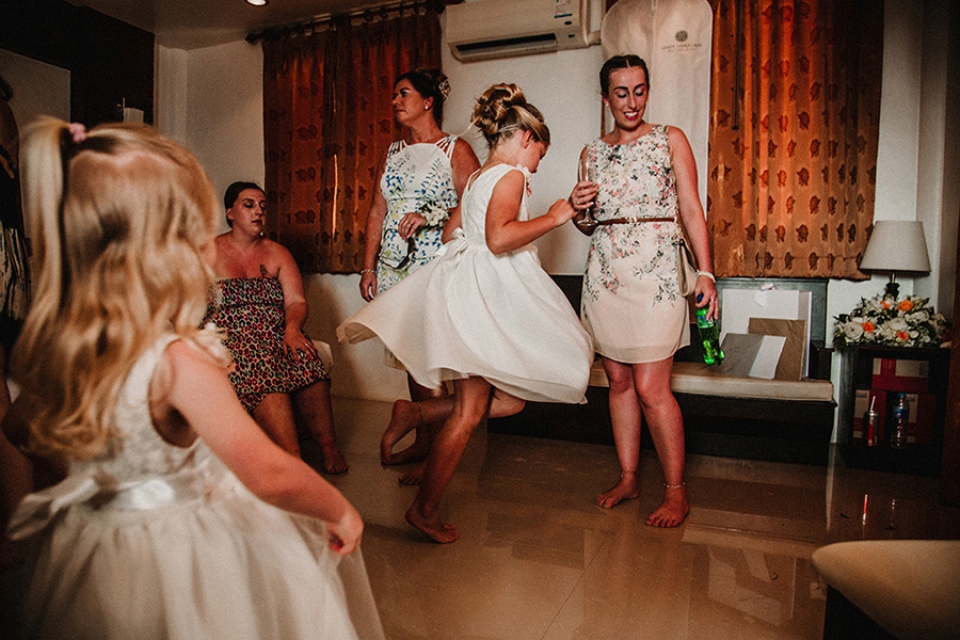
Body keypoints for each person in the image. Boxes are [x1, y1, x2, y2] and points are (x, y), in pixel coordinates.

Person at [2, 119, 384, 639]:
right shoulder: (175, 360)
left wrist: (102, 478)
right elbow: (267, 471)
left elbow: (19, 429)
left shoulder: (64, 349)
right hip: (176, 557)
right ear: (168, 246)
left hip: (95, 549)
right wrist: (339, 510)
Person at [339, 84, 593, 543]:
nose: (539, 163)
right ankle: (425, 508)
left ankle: (417, 413)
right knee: (470, 412)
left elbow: (452, 233)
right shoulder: (511, 176)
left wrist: (469, 264)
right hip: (482, 297)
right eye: (540, 152)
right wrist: (556, 217)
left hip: (471, 290)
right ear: (526, 138)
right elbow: (498, 239)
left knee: (509, 399)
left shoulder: (479, 178)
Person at [568, 55, 718, 528]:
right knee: (619, 383)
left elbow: (692, 210)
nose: (632, 102)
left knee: (654, 388)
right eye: (621, 93)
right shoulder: (591, 152)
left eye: (639, 90)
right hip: (607, 275)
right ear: (605, 97)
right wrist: (577, 212)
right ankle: (629, 476)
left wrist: (707, 273)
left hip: (657, 275)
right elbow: (589, 226)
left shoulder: (670, 138)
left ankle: (676, 491)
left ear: (647, 91)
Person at [360, 69, 480, 484]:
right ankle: (425, 442)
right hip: (395, 269)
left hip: (437, 266)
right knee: (413, 360)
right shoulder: (392, 152)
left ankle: (435, 459)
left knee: (432, 361)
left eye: (403, 93)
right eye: (394, 94)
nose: (395, 101)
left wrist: (428, 215)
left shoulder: (455, 149)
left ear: (428, 101)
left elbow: (477, 208)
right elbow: (378, 211)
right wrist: (368, 265)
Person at [204, 181, 348, 474]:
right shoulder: (207, 252)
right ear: (230, 212)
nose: (258, 212)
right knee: (261, 360)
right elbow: (181, 299)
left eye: (263, 206)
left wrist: (292, 330)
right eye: (249, 205)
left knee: (307, 355)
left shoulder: (277, 253)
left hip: (275, 330)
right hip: (231, 336)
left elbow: (296, 301)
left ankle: (329, 448)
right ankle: (292, 457)